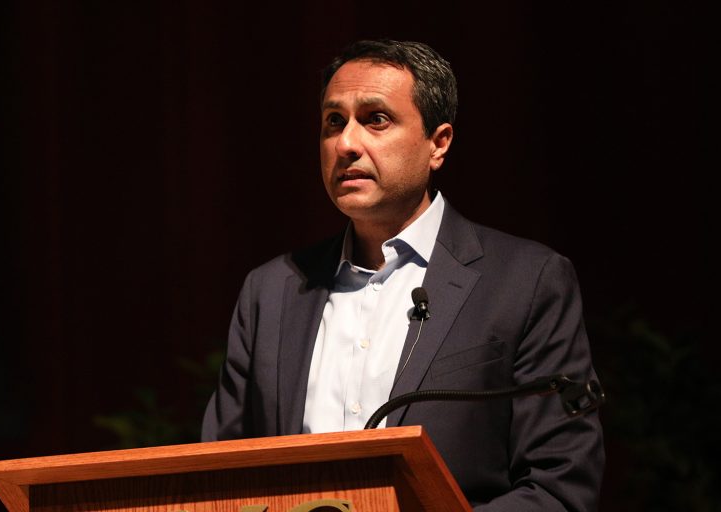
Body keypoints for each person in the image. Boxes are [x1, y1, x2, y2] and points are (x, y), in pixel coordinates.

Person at [201, 39, 604, 511]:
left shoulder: (526, 282)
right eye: (334, 122)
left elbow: (559, 487)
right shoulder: (270, 291)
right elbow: (218, 478)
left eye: (376, 119)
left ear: (439, 143)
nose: (346, 144)